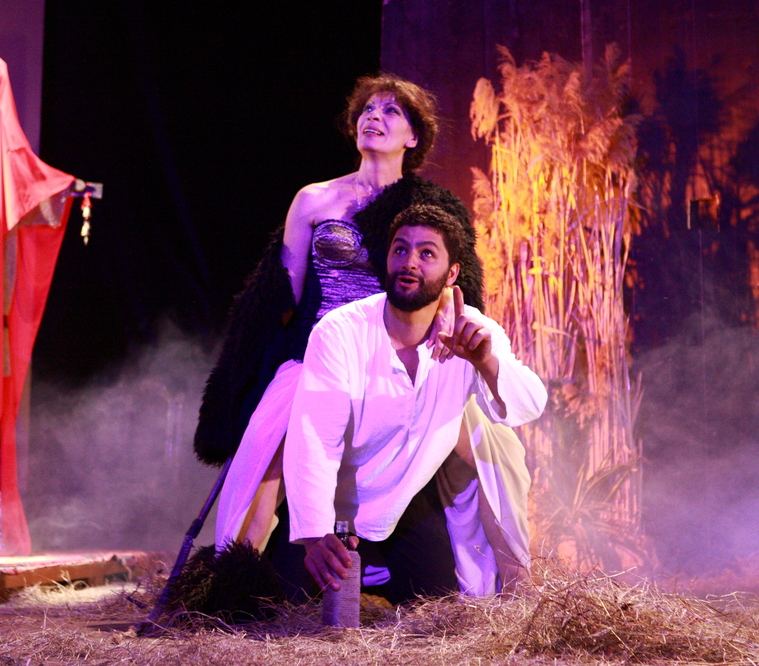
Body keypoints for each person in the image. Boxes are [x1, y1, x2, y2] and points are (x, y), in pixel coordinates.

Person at [194, 74, 531, 599]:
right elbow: (281, 295)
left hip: (400, 351)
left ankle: (518, 593)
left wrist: (449, 325)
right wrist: (259, 372)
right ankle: (227, 595)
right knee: (270, 453)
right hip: (322, 352)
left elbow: (455, 285)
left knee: (494, 451)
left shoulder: (428, 206)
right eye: (368, 109)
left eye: (392, 111)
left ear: (413, 137)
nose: (375, 117)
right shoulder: (314, 199)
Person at [285, 206, 547, 597]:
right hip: (335, 514)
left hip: (403, 507)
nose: (410, 262)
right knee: (287, 601)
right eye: (400, 249)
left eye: (427, 253)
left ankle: (513, 584)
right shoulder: (340, 332)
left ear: (452, 274)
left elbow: (529, 405)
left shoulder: (471, 331)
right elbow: (316, 440)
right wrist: (314, 533)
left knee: (436, 598)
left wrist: (485, 361)